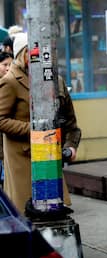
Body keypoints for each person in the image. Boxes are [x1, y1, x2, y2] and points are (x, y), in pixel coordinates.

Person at [0, 32, 81, 214]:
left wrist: (71, 146)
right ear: (23, 54)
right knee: (26, 214)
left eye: (48, 50)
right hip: (22, 161)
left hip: (50, 159)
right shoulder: (10, 82)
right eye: (35, 51)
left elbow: (70, 122)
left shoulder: (56, 81)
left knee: (53, 214)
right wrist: (34, 129)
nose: (44, 56)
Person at [0, 51, 13, 189]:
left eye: (11, 64)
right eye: (5, 65)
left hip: (6, 147)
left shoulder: (12, 83)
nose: (8, 68)